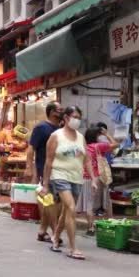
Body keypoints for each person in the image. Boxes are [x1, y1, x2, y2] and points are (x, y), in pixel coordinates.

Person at [40, 106, 96, 260]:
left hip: (76, 178)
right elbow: (48, 161)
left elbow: (87, 160)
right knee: (71, 208)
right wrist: (45, 184)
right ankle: (73, 248)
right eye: (74, 116)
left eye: (79, 117)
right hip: (59, 176)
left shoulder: (80, 137)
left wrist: (93, 179)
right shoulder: (56, 136)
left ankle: (55, 237)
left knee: (67, 211)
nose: (77, 120)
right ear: (65, 118)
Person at [26, 101, 64, 244]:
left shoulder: (61, 129)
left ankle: (42, 230)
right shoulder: (41, 128)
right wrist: (30, 168)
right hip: (45, 170)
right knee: (50, 202)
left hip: (60, 170)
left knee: (57, 203)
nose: (62, 112)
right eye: (60, 110)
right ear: (52, 112)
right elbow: (31, 149)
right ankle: (54, 232)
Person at [87, 126, 119, 217]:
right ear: (96, 136)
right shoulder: (98, 146)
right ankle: (110, 220)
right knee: (106, 200)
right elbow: (116, 144)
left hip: (87, 176)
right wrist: (107, 134)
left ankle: (91, 226)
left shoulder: (85, 146)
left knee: (90, 202)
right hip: (99, 175)